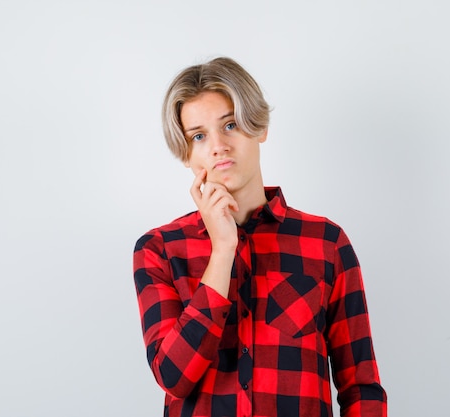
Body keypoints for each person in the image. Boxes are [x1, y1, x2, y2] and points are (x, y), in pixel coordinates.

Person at [133, 57, 387, 417]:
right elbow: (173, 376)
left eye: (231, 125)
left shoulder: (327, 244)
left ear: (259, 128)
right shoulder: (159, 250)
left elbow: (361, 388)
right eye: (199, 136)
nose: (218, 146)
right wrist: (223, 251)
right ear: (187, 154)